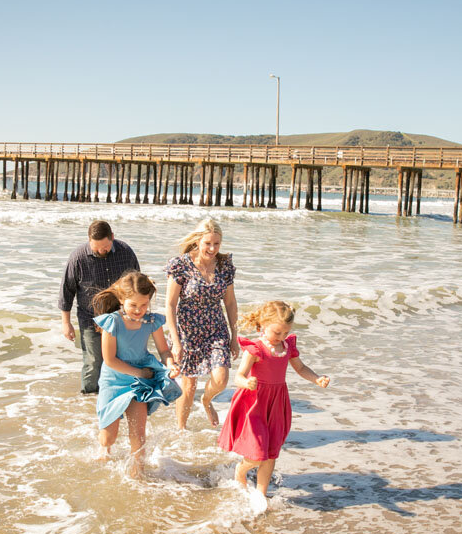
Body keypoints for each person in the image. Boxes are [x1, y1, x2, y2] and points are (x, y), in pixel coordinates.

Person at [219, 301, 330, 508]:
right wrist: (247, 382)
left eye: (285, 332)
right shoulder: (255, 349)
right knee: (257, 454)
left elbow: (301, 368)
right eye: (277, 332)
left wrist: (316, 379)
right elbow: (239, 376)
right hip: (255, 403)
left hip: (277, 403)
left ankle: (261, 494)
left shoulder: (287, 347)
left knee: (271, 452)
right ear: (262, 325)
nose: (281, 337)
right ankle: (241, 470)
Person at [92, 272, 181, 477]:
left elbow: (164, 350)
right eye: (133, 305)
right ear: (121, 300)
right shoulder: (112, 322)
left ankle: (137, 474)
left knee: (138, 433)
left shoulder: (151, 321)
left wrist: (170, 365)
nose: (139, 310)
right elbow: (110, 360)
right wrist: (140, 372)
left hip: (141, 381)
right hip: (115, 378)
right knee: (108, 437)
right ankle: (103, 457)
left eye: (144, 305)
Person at [164, 218, 239, 429]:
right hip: (187, 332)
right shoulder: (180, 265)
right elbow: (170, 305)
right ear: (198, 241)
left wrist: (234, 336)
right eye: (208, 243)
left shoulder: (225, 266)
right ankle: (181, 429)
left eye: (217, 243)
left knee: (221, 378)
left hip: (216, 330)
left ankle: (206, 401)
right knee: (188, 386)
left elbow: (231, 303)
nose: (213, 248)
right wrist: (176, 342)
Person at [59, 220, 140, 394]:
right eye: (96, 248)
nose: (100, 251)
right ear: (89, 240)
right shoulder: (78, 257)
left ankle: (119, 396)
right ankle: (89, 401)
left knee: (122, 360)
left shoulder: (125, 252)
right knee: (94, 361)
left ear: (112, 237)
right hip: (90, 318)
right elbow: (67, 290)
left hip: (121, 318)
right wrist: (66, 323)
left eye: (104, 247)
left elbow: (137, 285)